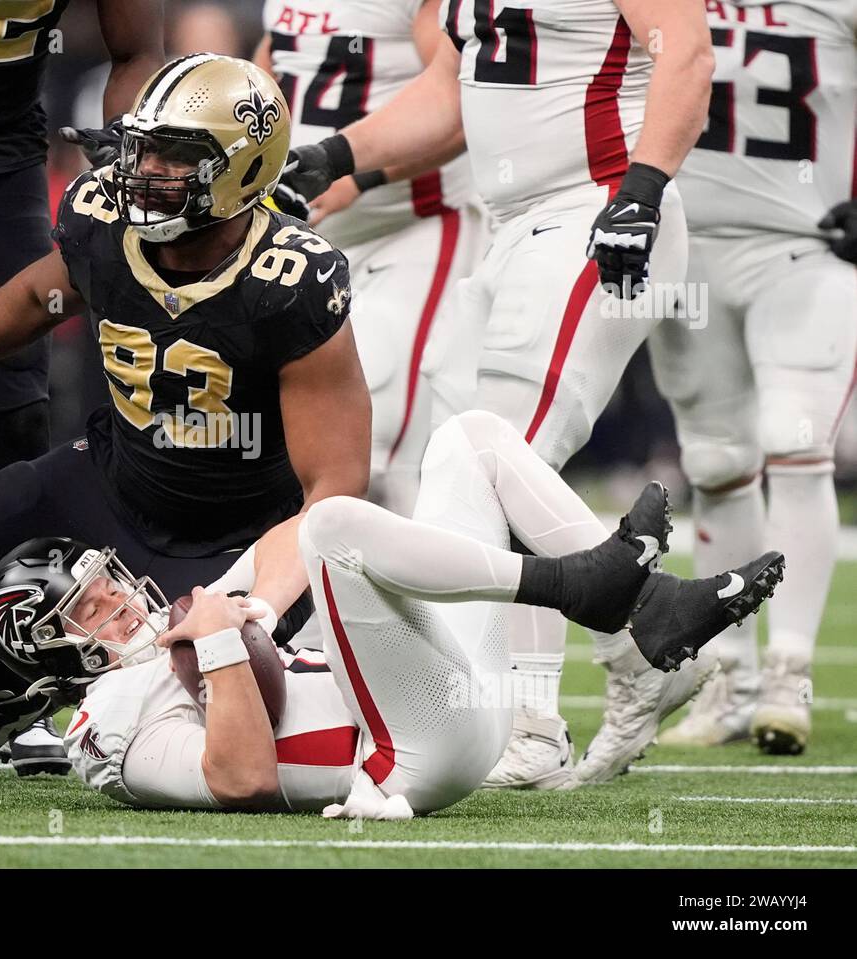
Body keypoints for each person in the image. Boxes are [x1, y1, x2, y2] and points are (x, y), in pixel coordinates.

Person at [0, 54, 372, 786]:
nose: (144, 170)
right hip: (114, 482)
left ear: (244, 171)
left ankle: (102, 685)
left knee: (193, 707)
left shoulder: (290, 282)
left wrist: (255, 603)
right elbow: (37, 297)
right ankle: (24, 688)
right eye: (142, 147)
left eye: (174, 156)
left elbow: (333, 491)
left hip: (233, 539)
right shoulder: (104, 219)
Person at [280, 0, 717, 787]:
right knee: (474, 461)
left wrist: (644, 188)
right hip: (513, 227)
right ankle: (641, 634)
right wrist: (335, 152)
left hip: (598, 207)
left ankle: (539, 719)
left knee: (504, 455)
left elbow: (686, 51)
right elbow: (453, 94)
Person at [0, 410, 784, 815]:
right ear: (57, 656)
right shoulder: (110, 723)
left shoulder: (176, 631)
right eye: (91, 608)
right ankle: (589, 591)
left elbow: (293, 530)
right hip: (402, 760)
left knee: (470, 438)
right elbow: (240, 778)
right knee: (339, 528)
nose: (121, 598)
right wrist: (227, 646)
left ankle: (648, 621)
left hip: (446, 703)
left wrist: (255, 601)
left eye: (110, 581)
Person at [654, 0, 857, 757]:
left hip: (802, 249)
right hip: (687, 249)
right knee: (714, 460)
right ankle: (731, 680)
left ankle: (789, 674)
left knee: (795, 442)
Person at [256, 0, 487, 514]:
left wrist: (359, 177)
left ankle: (422, 585)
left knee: (377, 444)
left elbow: (461, 105)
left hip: (411, 226)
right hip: (300, 240)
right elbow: (265, 77)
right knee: (288, 442)